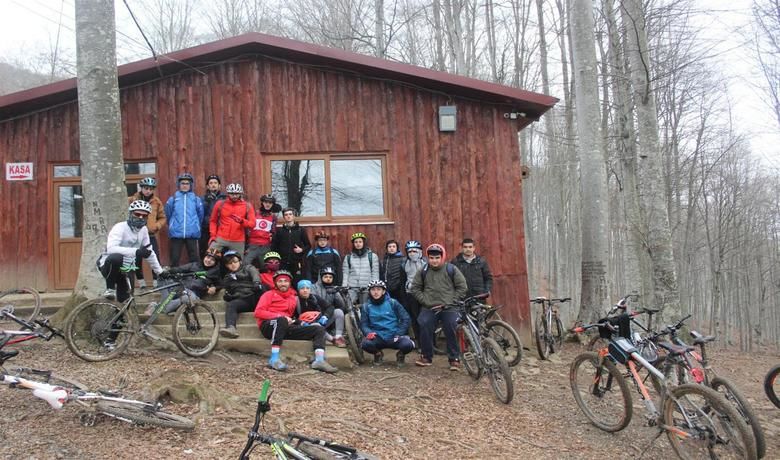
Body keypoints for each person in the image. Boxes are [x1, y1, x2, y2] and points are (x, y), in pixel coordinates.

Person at [254, 270, 339, 373]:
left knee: (318, 329)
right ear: (275, 283)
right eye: (280, 281)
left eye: (286, 281)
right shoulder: (268, 294)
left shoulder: (292, 298)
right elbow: (258, 312)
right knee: (281, 320)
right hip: (268, 325)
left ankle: (319, 360)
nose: (283, 283)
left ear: (289, 283)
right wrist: (280, 316)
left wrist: (301, 323)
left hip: (286, 327)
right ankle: (274, 359)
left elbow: (292, 317)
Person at [410, 243, 468, 369]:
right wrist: (424, 300)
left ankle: (454, 358)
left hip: (449, 307)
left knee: (452, 327)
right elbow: (415, 288)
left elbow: (462, 287)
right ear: (428, 258)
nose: (434, 261)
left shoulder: (451, 269)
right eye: (431, 258)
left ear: (442, 257)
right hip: (430, 307)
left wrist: (453, 300)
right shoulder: (423, 271)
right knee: (424, 324)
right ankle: (426, 356)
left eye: (437, 258)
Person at [98, 200, 165, 302]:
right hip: (109, 265)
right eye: (137, 214)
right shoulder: (120, 227)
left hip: (127, 267)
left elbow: (149, 252)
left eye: (144, 215)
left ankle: (122, 317)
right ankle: (110, 289)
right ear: (130, 214)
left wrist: (160, 272)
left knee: (126, 301)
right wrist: (136, 251)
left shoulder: (144, 230)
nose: (140, 217)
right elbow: (111, 249)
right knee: (116, 257)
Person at [150, 247, 222, 315]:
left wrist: (215, 288)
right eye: (208, 257)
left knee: (189, 298)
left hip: (191, 294)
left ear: (215, 263)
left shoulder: (214, 273)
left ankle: (161, 306)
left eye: (212, 260)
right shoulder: (194, 265)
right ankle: (166, 305)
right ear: (204, 257)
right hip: (179, 288)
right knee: (161, 277)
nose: (209, 260)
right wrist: (167, 271)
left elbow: (222, 284)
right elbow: (179, 269)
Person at [359, 280, 415, 367]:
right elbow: (364, 324)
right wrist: (368, 333)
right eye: (373, 290)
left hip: (394, 335)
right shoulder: (366, 306)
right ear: (369, 292)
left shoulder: (393, 303)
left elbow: (406, 319)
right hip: (378, 336)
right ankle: (378, 354)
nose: (376, 292)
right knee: (365, 344)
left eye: (378, 289)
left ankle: (400, 355)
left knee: (408, 345)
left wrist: (399, 333)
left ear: (384, 291)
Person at [128, 177, 166, 289]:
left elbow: (162, 217)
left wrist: (156, 226)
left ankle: (155, 281)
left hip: (150, 235)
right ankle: (141, 282)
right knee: (136, 259)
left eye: (150, 189)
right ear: (141, 188)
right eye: (146, 188)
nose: (148, 191)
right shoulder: (132, 199)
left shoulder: (157, 202)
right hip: (136, 234)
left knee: (154, 257)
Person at [218, 250, 262, 339]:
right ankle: (231, 328)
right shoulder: (227, 277)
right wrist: (229, 296)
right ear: (227, 266)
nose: (233, 264)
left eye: (235, 262)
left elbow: (255, 274)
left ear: (240, 261)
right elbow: (228, 291)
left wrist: (256, 282)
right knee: (231, 305)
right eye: (230, 263)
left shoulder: (248, 268)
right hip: (244, 300)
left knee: (263, 288)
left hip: (255, 295)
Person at [165, 172, 204, 266]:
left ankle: (194, 277)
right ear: (179, 185)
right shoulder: (173, 198)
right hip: (176, 232)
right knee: (175, 258)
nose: (185, 185)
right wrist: (172, 224)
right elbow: (168, 213)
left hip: (192, 232)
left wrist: (195, 225)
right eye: (183, 183)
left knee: (194, 258)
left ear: (191, 185)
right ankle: (174, 275)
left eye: (187, 183)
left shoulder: (196, 199)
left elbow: (200, 215)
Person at [208, 183, 255, 255]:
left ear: (240, 194)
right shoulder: (220, 204)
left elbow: (252, 224)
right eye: (232, 194)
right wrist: (213, 236)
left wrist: (242, 221)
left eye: (237, 194)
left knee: (237, 263)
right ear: (228, 194)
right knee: (209, 257)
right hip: (221, 238)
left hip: (237, 240)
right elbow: (213, 221)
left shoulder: (247, 206)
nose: (235, 196)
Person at [296, 279, 346, 347]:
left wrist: (325, 316)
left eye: (307, 288)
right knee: (316, 325)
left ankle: (338, 336)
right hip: (306, 326)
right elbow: (292, 317)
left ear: (310, 289)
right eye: (302, 288)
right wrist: (301, 322)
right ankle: (332, 340)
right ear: (298, 290)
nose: (305, 290)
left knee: (338, 312)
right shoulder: (295, 300)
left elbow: (330, 307)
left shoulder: (314, 297)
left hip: (320, 321)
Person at [272, 207, 310, 282]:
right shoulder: (280, 231)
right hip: (283, 263)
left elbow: (308, 245)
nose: (288, 216)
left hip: (296, 263)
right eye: (286, 215)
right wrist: (278, 259)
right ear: (284, 217)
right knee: (284, 283)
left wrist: (301, 250)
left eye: (290, 214)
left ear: (293, 216)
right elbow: (274, 247)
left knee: (296, 283)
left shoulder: (300, 230)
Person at [342, 232, 379, 305]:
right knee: (348, 307)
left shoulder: (372, 256)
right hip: (352, 288)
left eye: (360, 242)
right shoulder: (348, 257)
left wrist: (374, 287)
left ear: (363, 243)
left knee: (365, 307)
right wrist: (344, 286)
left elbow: (375, 272)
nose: (358, 244)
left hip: (366, 287)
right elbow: (346, 273)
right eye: (356, 242)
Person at [245, 194, 281, 269]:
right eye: (266, 202)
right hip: (252, 245)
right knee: (245, 264)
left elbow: (273, 231)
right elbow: (247, 228)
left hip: (265, 246)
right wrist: (246, 245)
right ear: (262, 203)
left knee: (265, 267)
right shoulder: (255, 213)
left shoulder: (273, 217)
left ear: (272, 204)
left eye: (270, 203)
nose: (268, 204)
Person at [400, 240, 426, 342]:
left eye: (414, 251)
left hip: (425, 294)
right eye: (409, 252)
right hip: (411, 294)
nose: (412, 254)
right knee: (415, 319)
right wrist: (404, 299)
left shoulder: (426, 263)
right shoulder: (404, 264)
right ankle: (419, 342)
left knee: (427, 319)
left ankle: (431, 343)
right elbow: (402, 282)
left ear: (419, 252)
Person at [199, 175, 226, 259]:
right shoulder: (202, 199)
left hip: (221, 228)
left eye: (215, 183)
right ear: (207, 186)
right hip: (206, 228)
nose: (213, 185)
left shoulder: (224, 198)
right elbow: (199, 212)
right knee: (205, 250)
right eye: (211, 183)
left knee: (221, 251)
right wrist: (207, 202)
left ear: (219, 185)